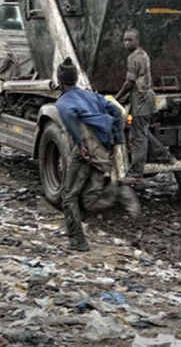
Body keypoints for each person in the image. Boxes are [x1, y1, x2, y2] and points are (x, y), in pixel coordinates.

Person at [55, 57, 141, 252]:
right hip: (103, 150)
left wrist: (81, 144)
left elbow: (70, 120)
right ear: (76, 79)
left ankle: (78, 241)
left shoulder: (63, 103)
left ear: (60, 81)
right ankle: (115, 190)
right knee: (88, 198)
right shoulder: (92, 96)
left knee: (68, 196)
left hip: (85, 152)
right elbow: (117, 113)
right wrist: (116, 142)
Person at [115, 28, 175, 184]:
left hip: (142, 99)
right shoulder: (142, 54)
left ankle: (136, 173)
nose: (127, 43)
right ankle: (166, 157)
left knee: (138, 137)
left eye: (130, 40)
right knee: (142, 131)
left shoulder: (134, 58)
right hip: (145, 98)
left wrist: (117, 97)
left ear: (137, 41)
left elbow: (129, 82)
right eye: (125, 40)